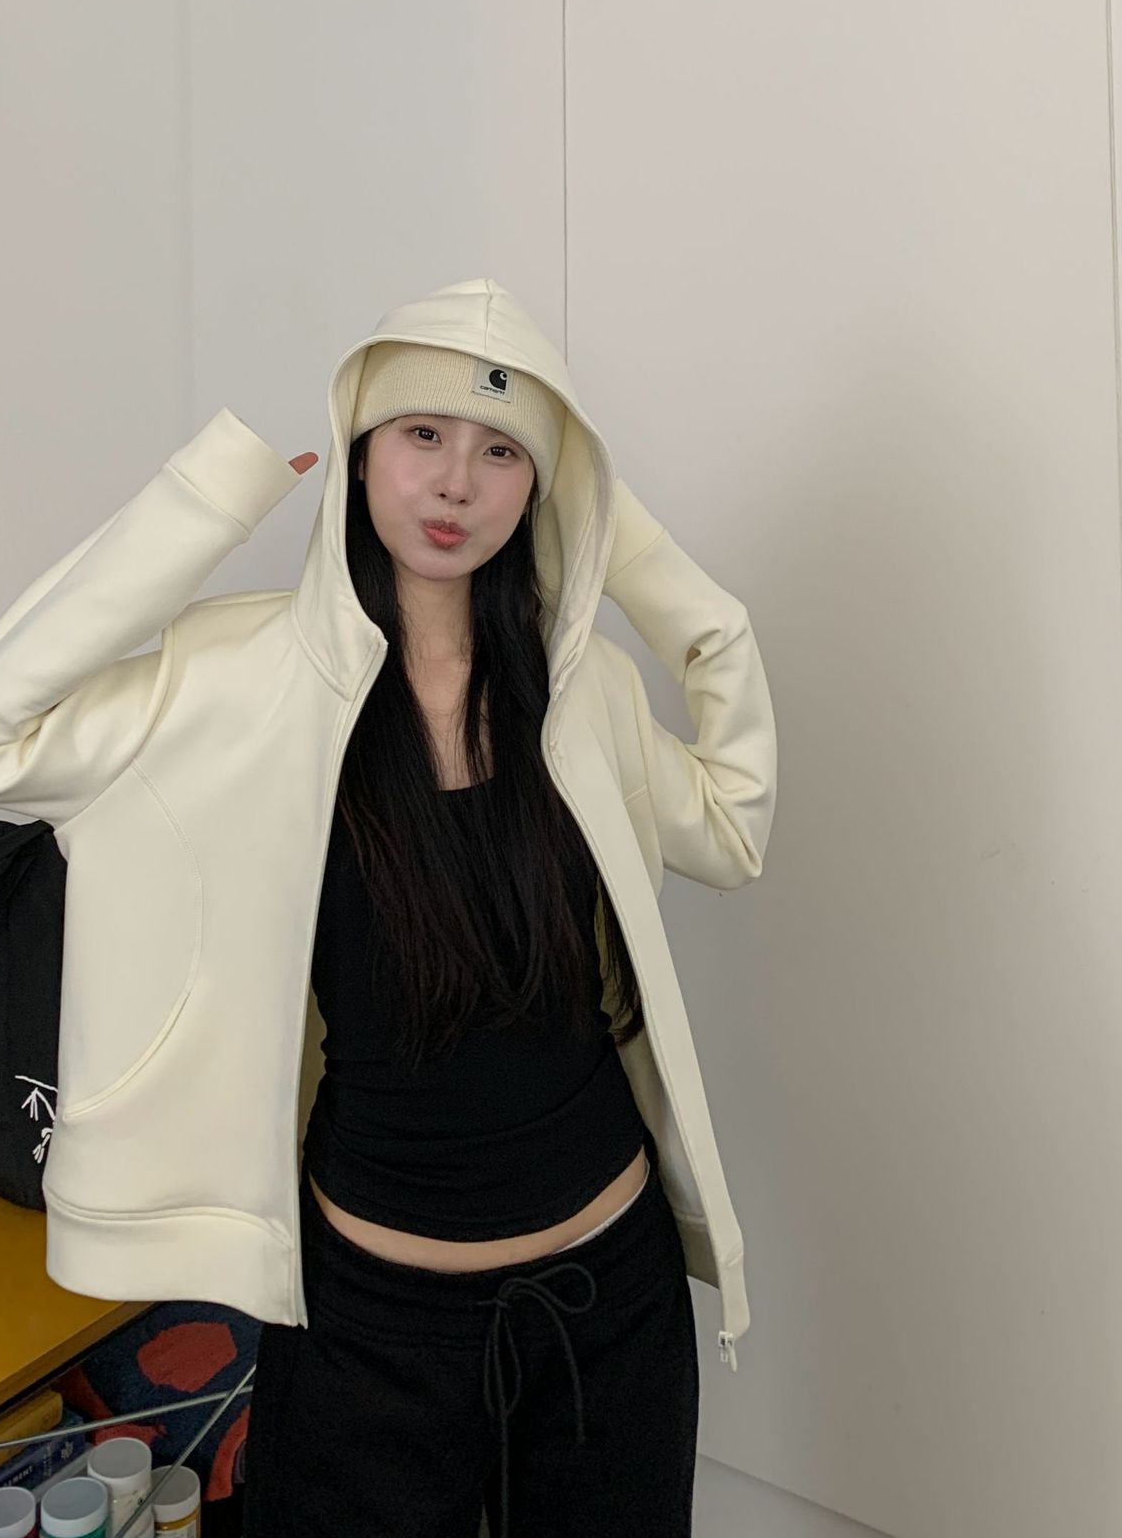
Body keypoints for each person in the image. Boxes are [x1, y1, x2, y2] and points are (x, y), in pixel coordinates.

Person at [242, 333, 705, 1538]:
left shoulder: (577, 683)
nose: (457, 482)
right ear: (359, 454)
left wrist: (629, 547)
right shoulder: (267, 690)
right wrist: (216, 498)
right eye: (423, 435)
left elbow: (734, 826)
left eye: (503, 452)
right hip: (370, 1333)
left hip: (610, 1308)